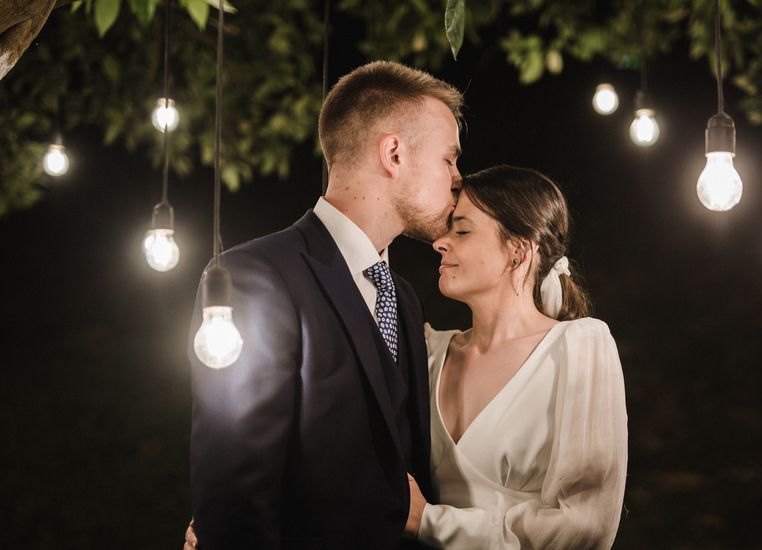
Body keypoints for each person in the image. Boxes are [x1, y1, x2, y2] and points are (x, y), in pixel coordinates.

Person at [186, 60, 463, 549]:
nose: (459, 178)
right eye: (448, 159)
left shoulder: (404, 297)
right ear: (393, 153)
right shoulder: (258, 279)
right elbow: (236, 488)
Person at [404, 165, 628, 549]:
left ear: (518, 250)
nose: (441, 242)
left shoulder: (579, 348)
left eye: (462, 230)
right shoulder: (428, 351)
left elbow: (585, 527)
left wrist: (430, 521)